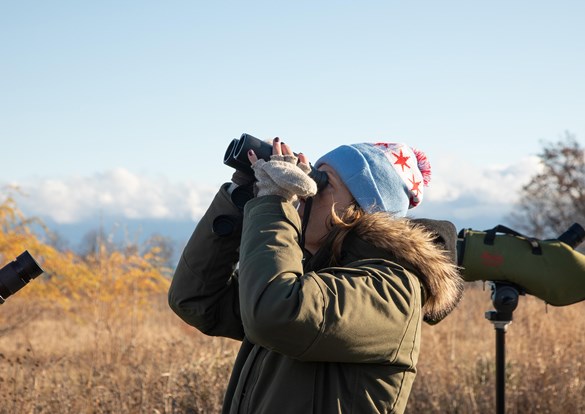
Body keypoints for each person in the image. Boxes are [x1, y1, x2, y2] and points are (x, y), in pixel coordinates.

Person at [168, 137, 464, 413]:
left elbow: (275, 313)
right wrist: (242, 199)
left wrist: (274, 200)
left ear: (362, 209)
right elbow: (197, 300)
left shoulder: (391, 290)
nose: (305, 193)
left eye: (320, 183)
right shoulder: (311, 277)